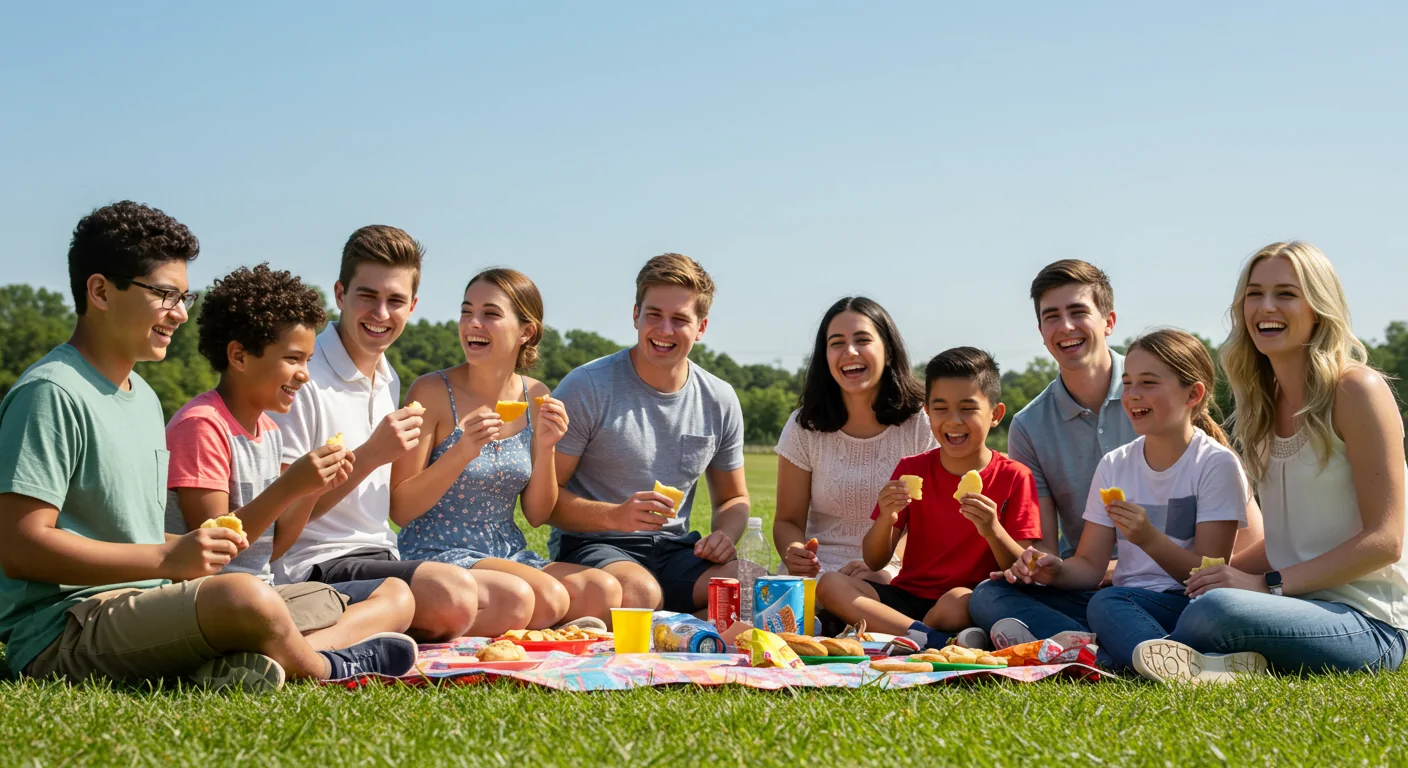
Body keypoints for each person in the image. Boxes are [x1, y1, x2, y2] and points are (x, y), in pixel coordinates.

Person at [0, 202, 416, 690]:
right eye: (164, 294)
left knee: (374, 595)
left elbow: (141, 537)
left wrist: (180, 554)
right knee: (244, 598)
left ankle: (235, 661)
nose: (179, 313)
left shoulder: (142, 397)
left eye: (184, 297)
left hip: (149, 602)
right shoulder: (51, 392)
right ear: (100, 291)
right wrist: (167, 559)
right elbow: (19, 546)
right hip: (67, 624)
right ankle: (325, 666)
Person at [1133, 242, 1408, 683]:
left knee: (1216, 609)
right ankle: (1207, 665)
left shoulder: (1357, 391)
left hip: (1366, 622)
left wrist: (1264, 584)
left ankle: (1140, 650)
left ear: (1318, 308)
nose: (1266, 307)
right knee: (1122, 600)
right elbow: (1287, 540)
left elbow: (1385, 541)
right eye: (1254, 294)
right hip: (1285, 604)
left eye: (1285, 294)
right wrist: (1218, 574)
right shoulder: (1261, 403)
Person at [269, 225, 533, 640]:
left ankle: (370, 630)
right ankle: (309, 644)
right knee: (454, 594)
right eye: (367, 296)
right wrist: (371, 455)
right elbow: (283, 516)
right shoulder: (304, 377)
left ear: (412, 306)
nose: (380, 314)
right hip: (314, 563)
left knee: (512, 601)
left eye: (394, 301)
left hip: (381, 553)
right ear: (340, 294)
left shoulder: (387, 377)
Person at [165, 263, 417, 650]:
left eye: (308, 360)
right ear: (239, 356)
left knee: (397, 596)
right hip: (214, 599)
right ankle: (316, 658)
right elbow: (213, 553)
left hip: (262, 593)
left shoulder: (267, 430)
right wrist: (289, 487)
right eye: (293, 359)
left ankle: (298, 653)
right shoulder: (202, 425)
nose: (305, 374)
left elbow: (273, 548)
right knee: (262, 604)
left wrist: (311, 490)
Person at [976, 329, 1252, 669]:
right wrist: (1055, 570)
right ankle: (1113, 656)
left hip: (1185, 605)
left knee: (1108, 604)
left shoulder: (1216, 464)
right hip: (1118, 602)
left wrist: (1148, 539)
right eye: (1128, 383)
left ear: (1193, 394)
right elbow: (1090, 567)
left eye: (1148, 383)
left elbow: (1208, 577)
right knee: (989, 594)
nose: (1132, 395)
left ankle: (1108, 653)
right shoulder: (1114, 464)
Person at [390, 268, 622, 628]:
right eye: (467, 311)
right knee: (547, 596)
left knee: (603, 590)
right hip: (437, 551)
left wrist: (546, 447)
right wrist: (461, 452)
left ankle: (520, 625)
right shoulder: (431, 391)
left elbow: (537, 515)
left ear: (525, 332)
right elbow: (401, 509)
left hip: (506, 551)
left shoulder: (537, 395)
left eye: (490, 314)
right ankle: (456, 618)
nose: (473, 323)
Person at [548, 254, 748, 613]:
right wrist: (615, 516)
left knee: (751, 583)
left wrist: (725, 535)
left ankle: (676, 624)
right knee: (641, 593)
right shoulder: (587, 386)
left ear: (701, 327)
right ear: (635, 315)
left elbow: (733, 498)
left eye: (680, 319)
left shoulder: (719, 398)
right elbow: (545, 501)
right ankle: (683, 621)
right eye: (654, 314)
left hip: (675, 551)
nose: (665, 330)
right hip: (594, 546)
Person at [816, 348, 1041, 650]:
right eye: (941, 408)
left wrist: (992, 530)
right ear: (927, 412)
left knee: (956, 602)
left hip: (969, 598)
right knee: (830, 584)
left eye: (968, 408)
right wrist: (885, 519)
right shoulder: (912, 469)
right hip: (906, 596)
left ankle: (900, 634)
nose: (953, 421)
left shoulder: (1015, 476)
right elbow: (874, 560)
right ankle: (927, 638)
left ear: (996, 415)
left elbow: (1021, 569)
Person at [773, 297, 937, 583]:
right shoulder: (804, 426)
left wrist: (886, 564)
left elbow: (930, 522)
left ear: (888, 352)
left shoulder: (922, 423)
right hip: (818, 574)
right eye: (836, 343)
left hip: (894, 570)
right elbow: (787, 521)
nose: (849, 351)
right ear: (825, 356)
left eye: (862, 340)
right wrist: (795, 552)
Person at [1006, 260, 1138, 565]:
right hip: (1082, 576)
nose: (1065, 326)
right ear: (1041, 331)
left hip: (1173, 571)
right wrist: (1031, 568)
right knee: (990, 590)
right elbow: (1045, 547)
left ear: (1109, 322)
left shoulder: (1160, 389)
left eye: (1078, 312)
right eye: (1052, 316)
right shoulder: (1028, 427)